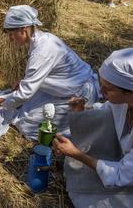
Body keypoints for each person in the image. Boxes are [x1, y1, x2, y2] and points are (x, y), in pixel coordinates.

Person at [0, 5, 100, 140]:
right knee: (23, 107)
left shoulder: (41, 51)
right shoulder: (42, 39)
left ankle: (85, 115)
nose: (10, 39)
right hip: (62, 88)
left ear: (23, 30)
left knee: (26, 123)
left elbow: (25, 93)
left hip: (78, 94)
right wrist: (24, 82)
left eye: (11, 34)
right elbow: (42, 76)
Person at [53, 48, 133, 208]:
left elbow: (120, 175)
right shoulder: (124, 102)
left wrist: (76, 153)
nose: (102, 93)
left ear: (130, 91)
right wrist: (82, 111)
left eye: (108, 89)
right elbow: (105, 110)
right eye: (101, 86)